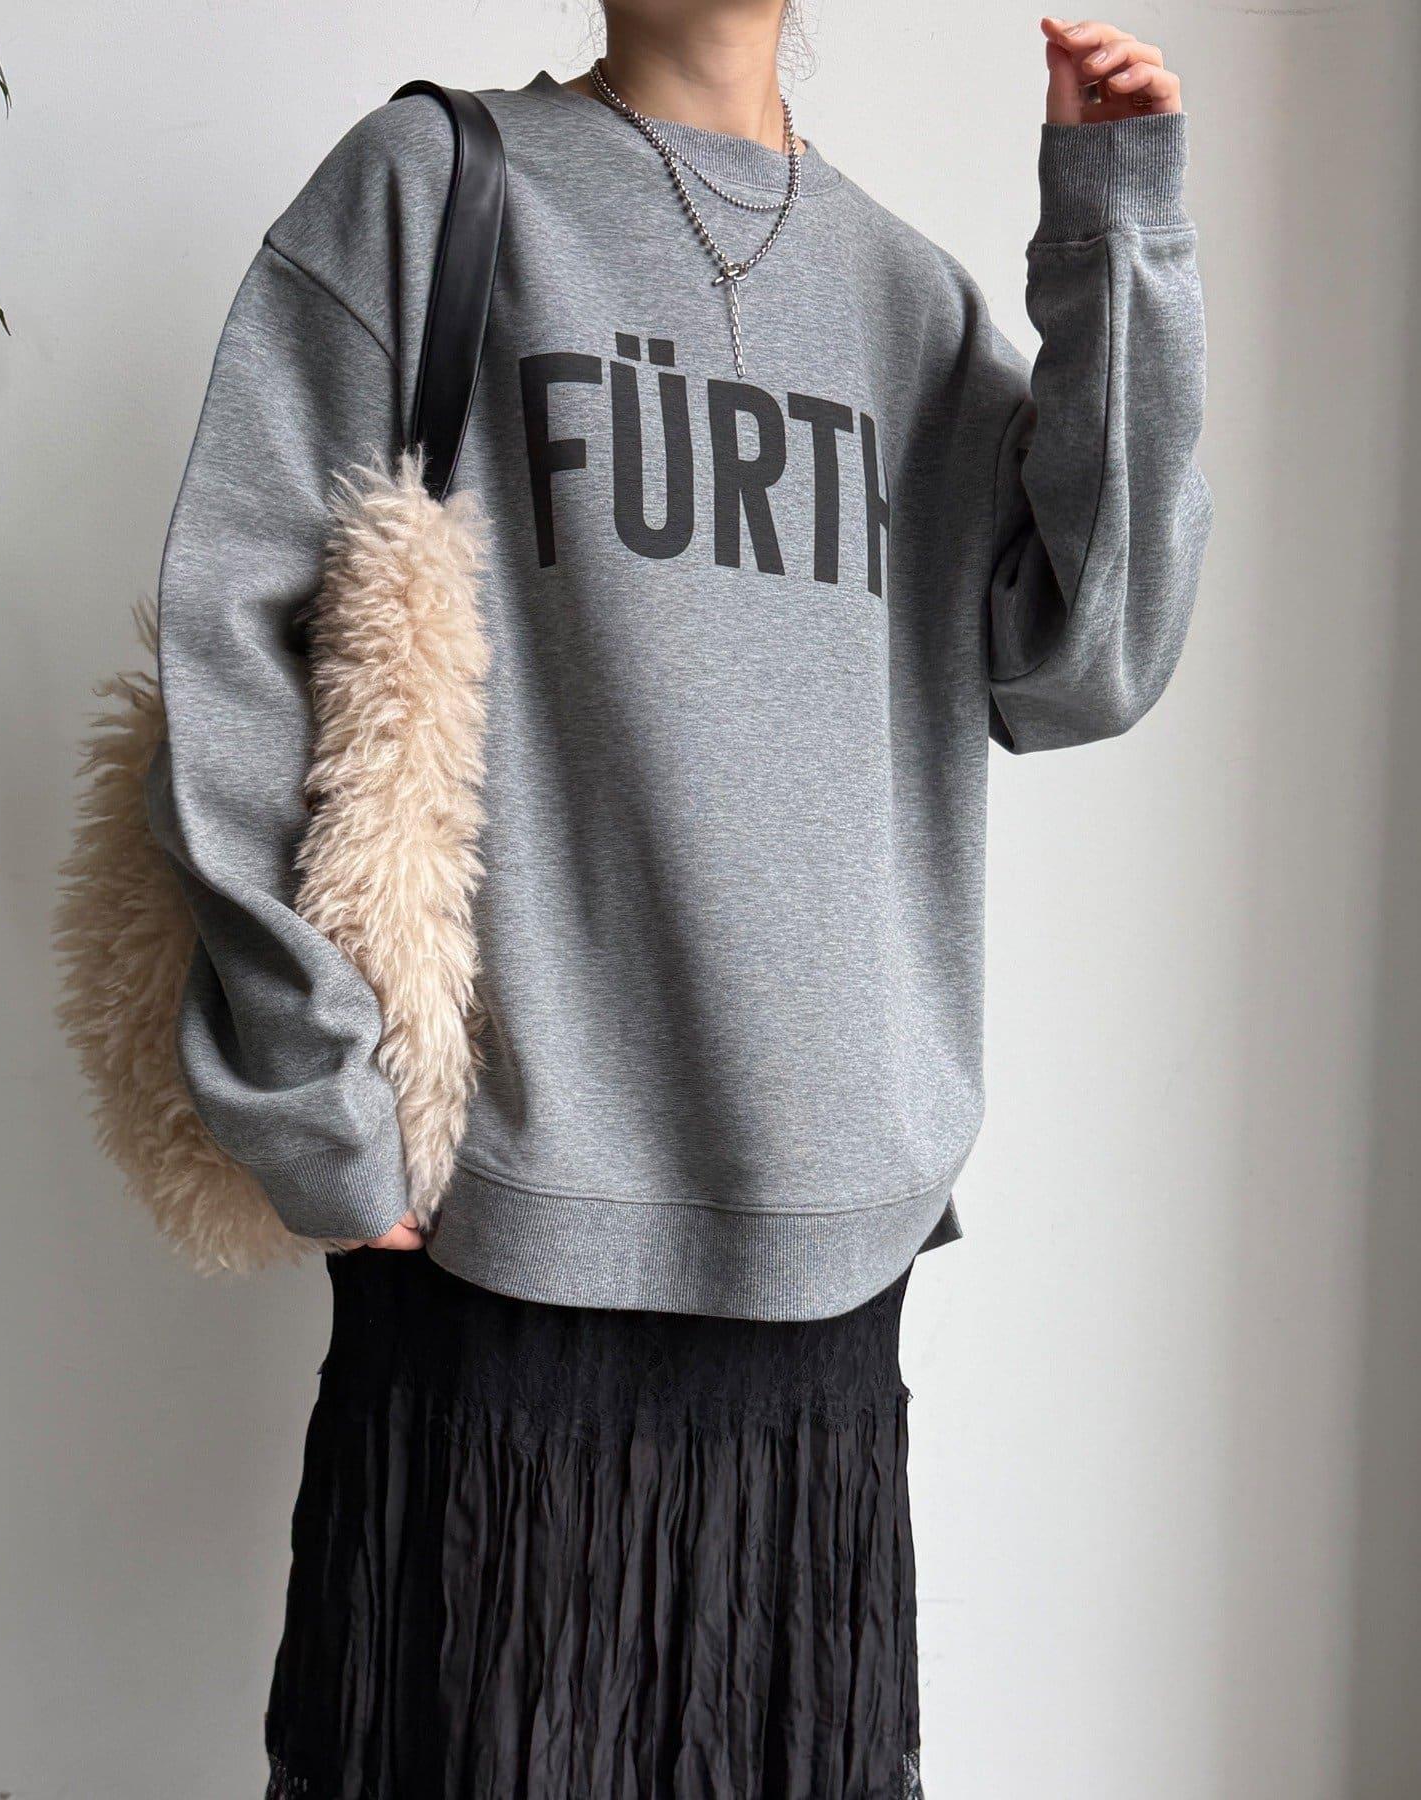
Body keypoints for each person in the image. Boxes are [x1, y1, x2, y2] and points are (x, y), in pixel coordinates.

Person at [147, 5, 1209, 1794]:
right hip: (498, 1250)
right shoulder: (428, 194)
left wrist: (1120, 234)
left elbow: (1082, 660)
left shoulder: (912, 304)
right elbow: (231, 643)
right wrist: (323, 1112)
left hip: (823, 1294)